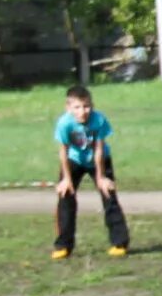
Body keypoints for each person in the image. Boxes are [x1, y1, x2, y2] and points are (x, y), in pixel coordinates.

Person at [51, 82, 130, 259]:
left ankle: (119, 243)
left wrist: (101, 176)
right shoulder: (64, 123)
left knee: (109, 195)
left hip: (98, 160)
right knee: (65, 197)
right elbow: (63, 151)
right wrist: (66, 179)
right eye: (77, 107)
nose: (83, 111)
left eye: (86, 106)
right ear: (69, 107)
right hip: (74, 160)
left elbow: (99, 149)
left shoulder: (98, 120)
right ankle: (63, 245)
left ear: (92, 105)